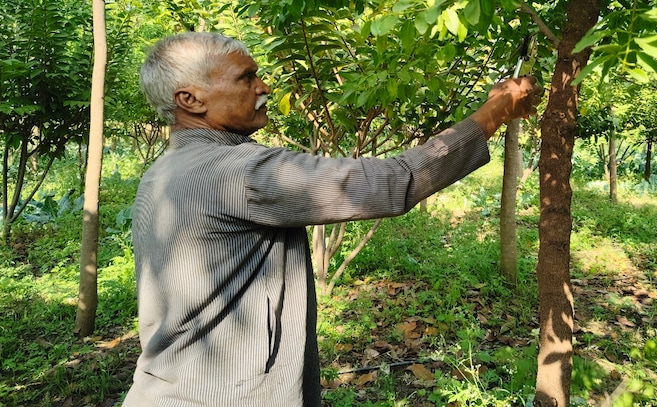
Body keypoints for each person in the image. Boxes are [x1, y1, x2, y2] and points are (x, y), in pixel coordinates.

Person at [124, 31, 542, 406]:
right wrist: (496, 111)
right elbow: (396, 180)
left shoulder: (163, 172)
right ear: (190, 100)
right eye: (245, 78)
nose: (263, 87)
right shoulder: (235, 171)